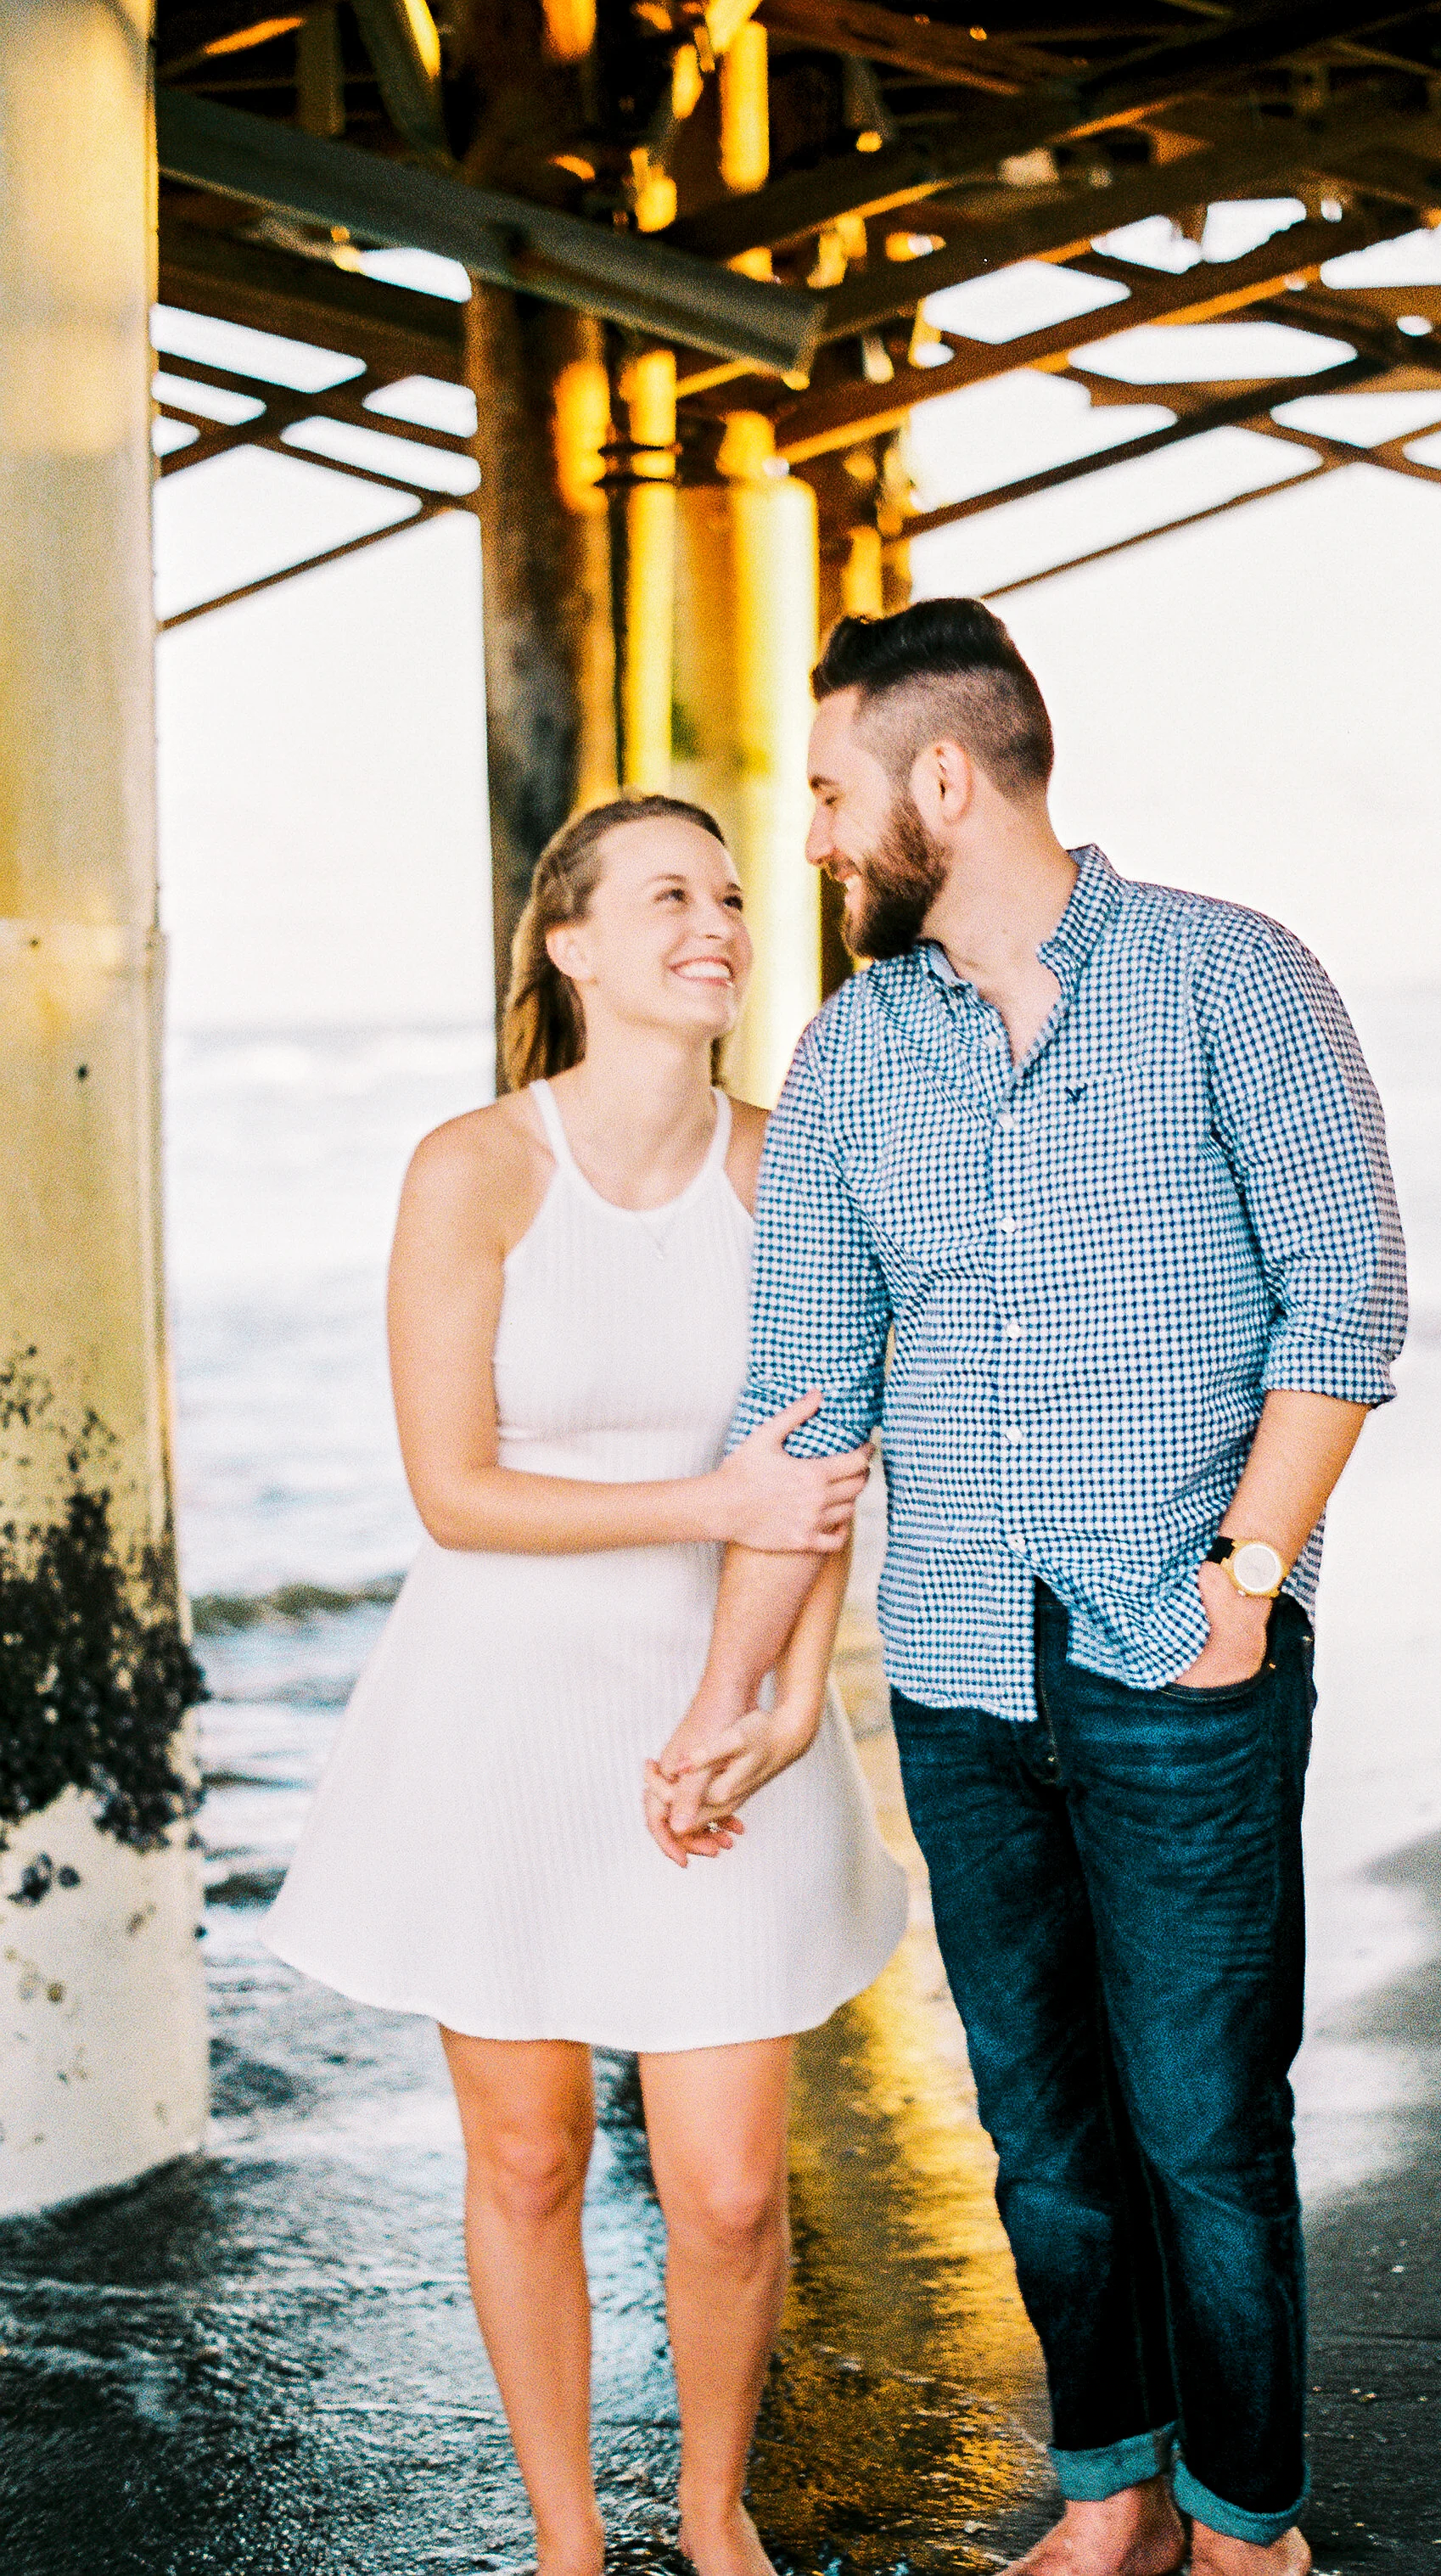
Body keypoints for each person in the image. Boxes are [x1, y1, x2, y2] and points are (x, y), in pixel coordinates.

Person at [647, 603, 1407, 2576]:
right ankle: (1115, 2496)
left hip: (1184, 1645)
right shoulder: (851, 1051)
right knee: (1045, 2129)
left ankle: (1253, 2526)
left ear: (943, 780)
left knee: (1206, 2128)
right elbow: (802, 1397)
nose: (811, 836)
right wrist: (742, 1692)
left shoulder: (1234, 977)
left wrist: (1249, 1574)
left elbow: (1347, 1299)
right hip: (969, 1670)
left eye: (827, 791)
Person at [265, 793, 907, 2576]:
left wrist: (781, 1697)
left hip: (724, 1711)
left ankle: (713, 2517)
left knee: (726, 2184)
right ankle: (568, 2541)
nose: (718, 920)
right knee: (533, 2155)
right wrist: (708, 1500)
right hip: (499, 1713)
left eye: (728, 892)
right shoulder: (471, 1168)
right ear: (572, 946)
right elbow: (451, 1487)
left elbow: (819, 1452)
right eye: (670, 895)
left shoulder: (791, 1166)